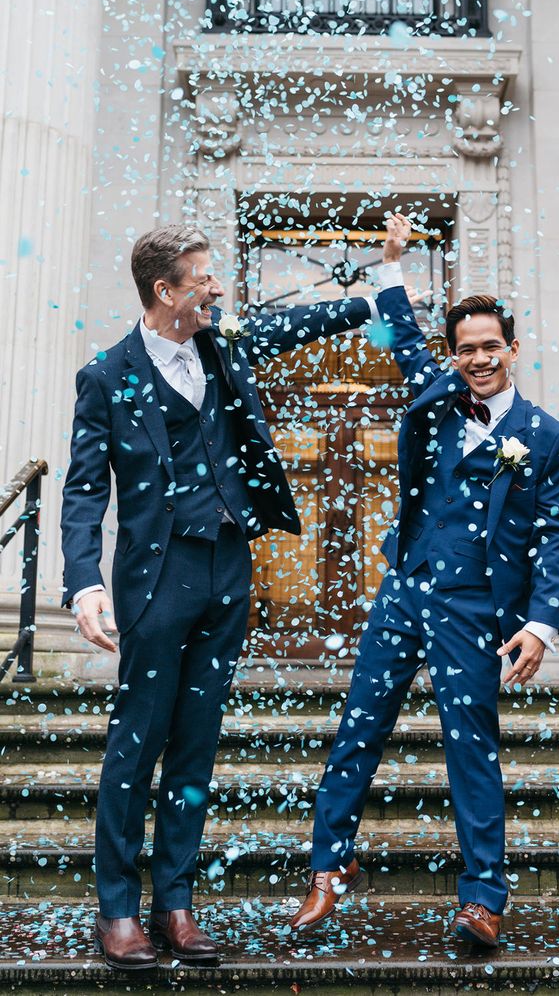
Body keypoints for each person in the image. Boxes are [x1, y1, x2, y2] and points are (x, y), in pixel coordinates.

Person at [61, 223, 383, 970]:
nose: (217, 286)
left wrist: (375, 294)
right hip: (155, 577)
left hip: (226, 573)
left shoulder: (224, 343)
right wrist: (84, 581)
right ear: (164, 291)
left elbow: (295, 322)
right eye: (201, 277)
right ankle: (118, 910)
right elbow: (83, 491)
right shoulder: (108, 376)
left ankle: (174, 904)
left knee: (196, 749)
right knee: (136, 746)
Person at [290, 221, 559, 949]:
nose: (478, 359)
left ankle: (482, 898)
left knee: (469, 746)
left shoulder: (548, 437)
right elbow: (404, 336)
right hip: (406, 589)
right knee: (359, 727)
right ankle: (328, 868)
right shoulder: (439, 397)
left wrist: (541, 622)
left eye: (490, 346)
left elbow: (553, 533)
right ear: (455, 355)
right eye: (466, 348)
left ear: (512, 348)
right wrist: (391, 265)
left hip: (476, 607)